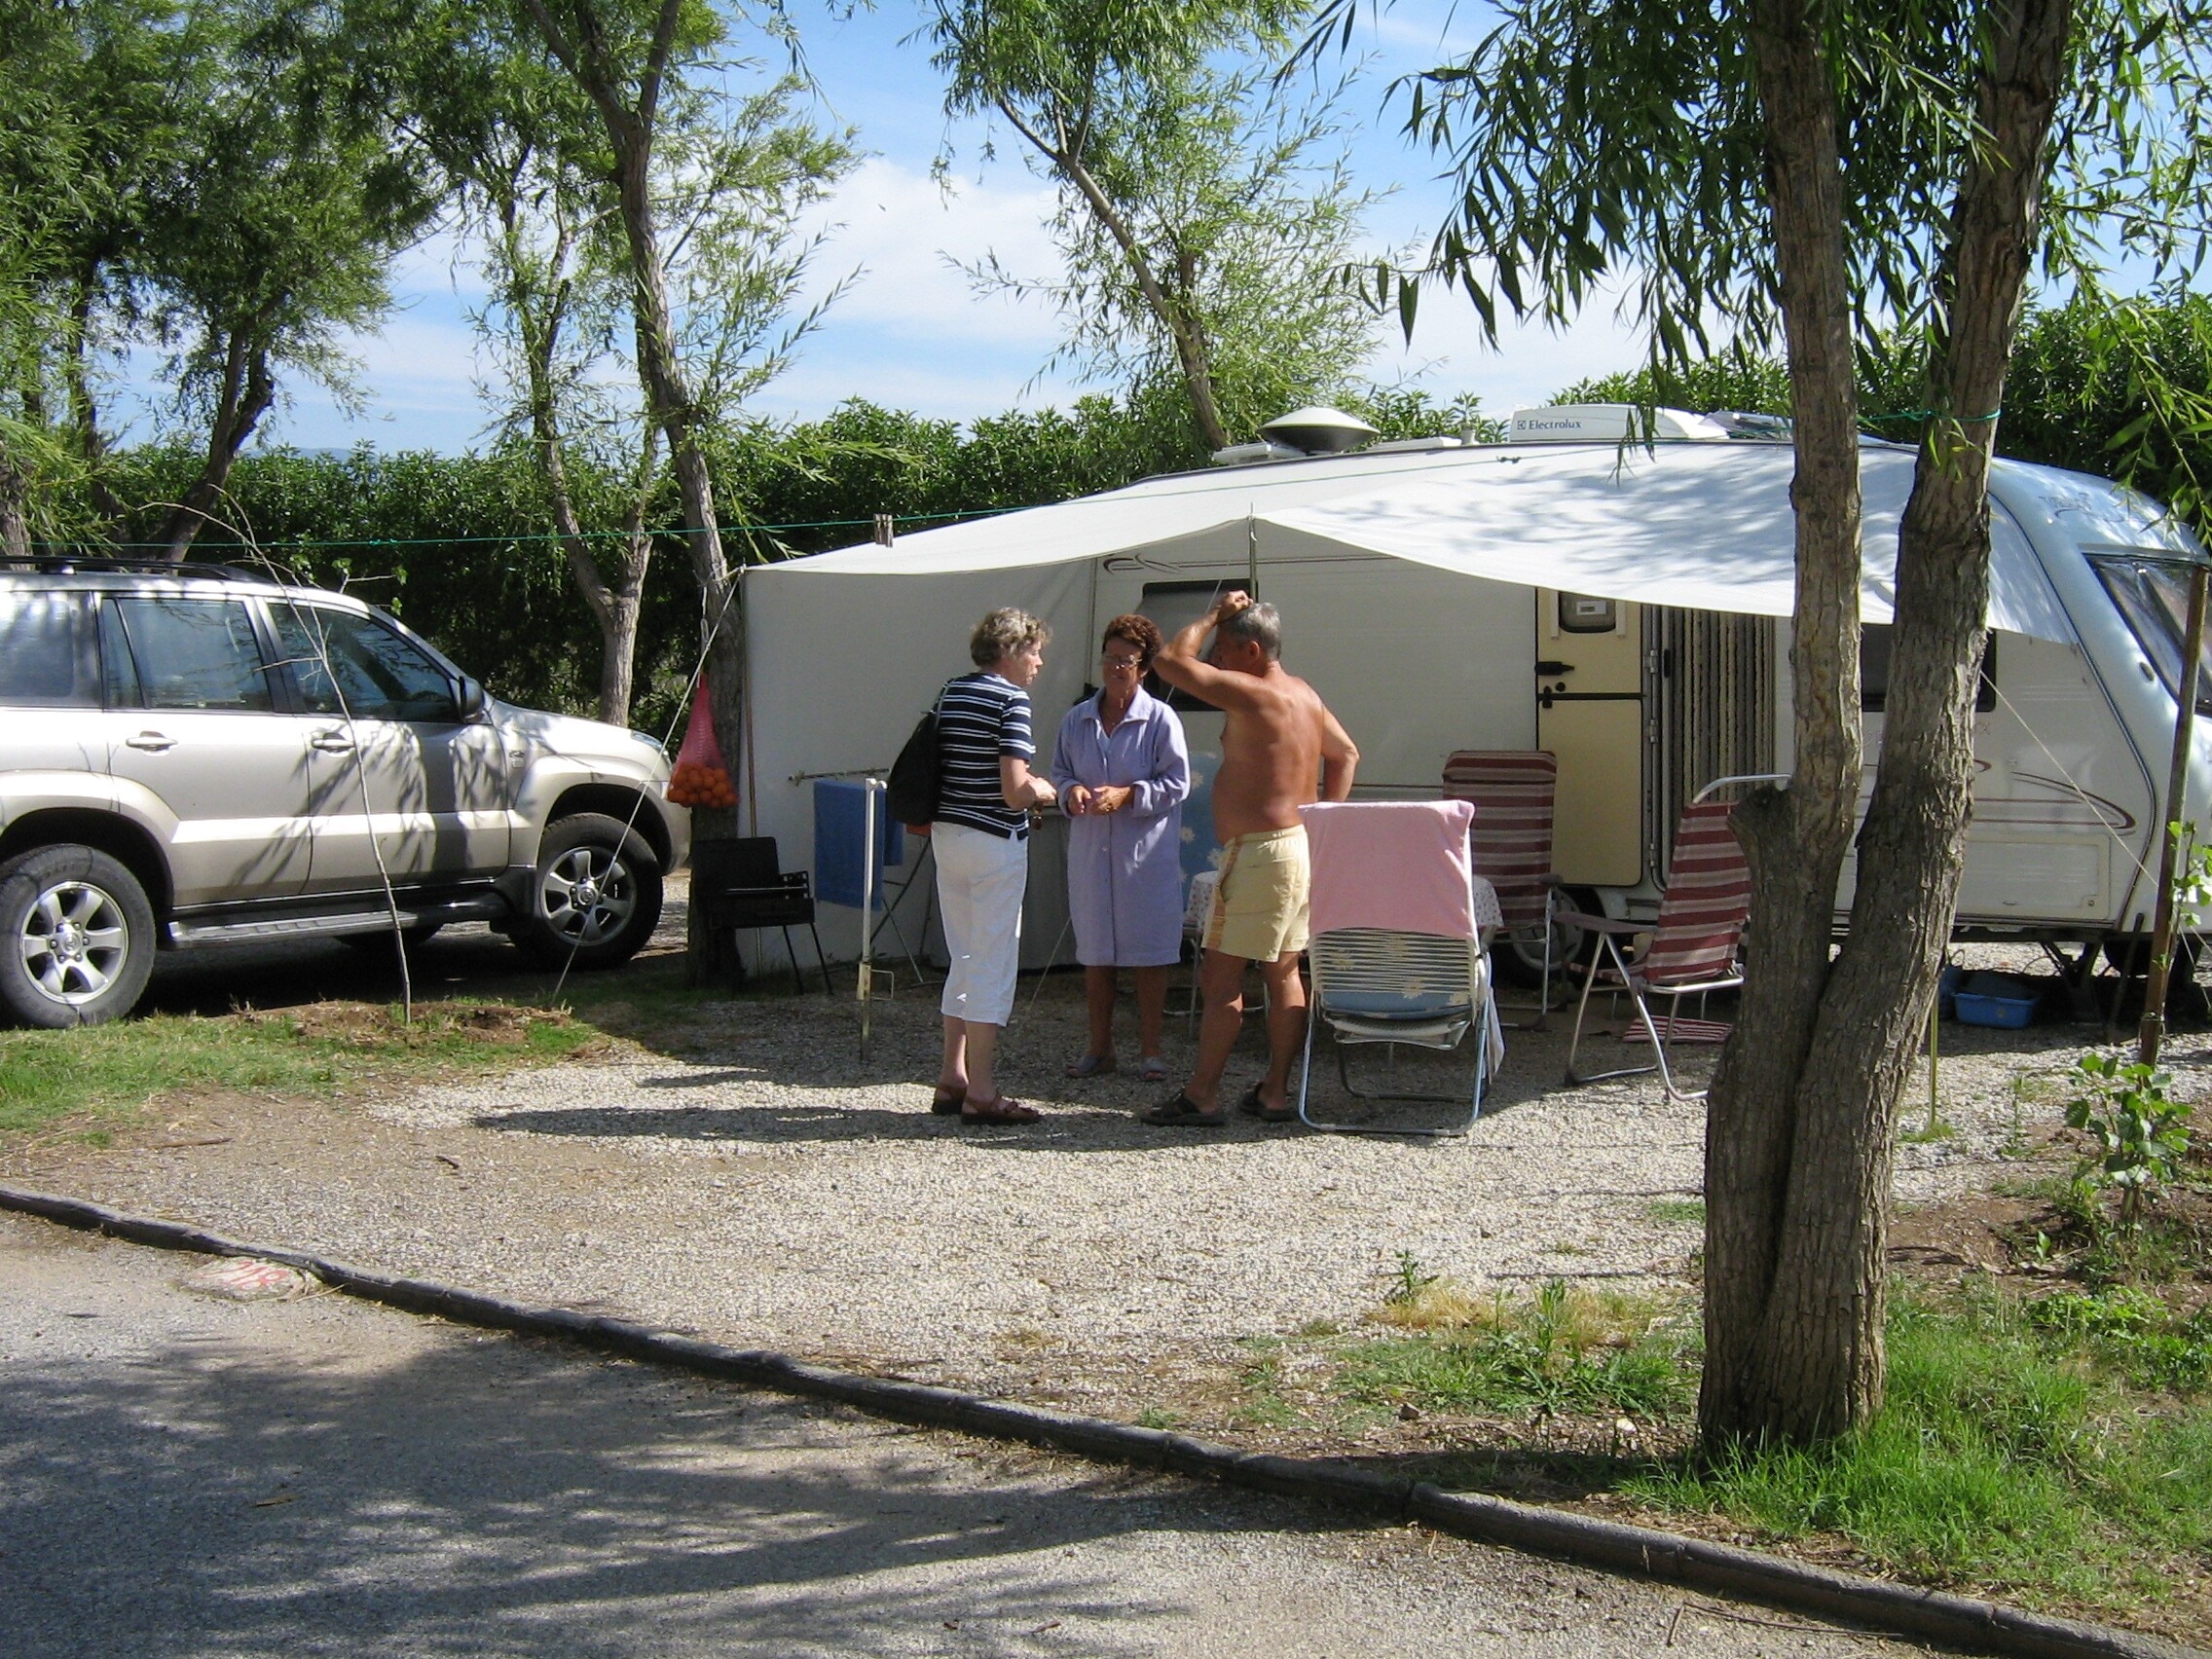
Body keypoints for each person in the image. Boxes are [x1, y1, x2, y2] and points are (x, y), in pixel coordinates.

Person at [1144, 592, 1357, 1126]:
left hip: (1261, 853)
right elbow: (1346, 753)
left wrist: (1212, 614)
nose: (1216, 659)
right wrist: (1325, 822)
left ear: (1254, 652)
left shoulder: (1256, 695)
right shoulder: (1304, 695)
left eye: (1226, 650)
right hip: (1295, 845)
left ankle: (1202, 1095)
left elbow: (1169, 661)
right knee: (1283, 972)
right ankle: (1275, 1093)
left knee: (1220, 982)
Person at [929, 608, 1058, 1124]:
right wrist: (1043, 790)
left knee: (963, 954)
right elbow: (1013, 789)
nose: (1039, 662)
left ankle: (952, 1076)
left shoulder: (951, 690)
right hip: (994, 840)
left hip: (948, 834)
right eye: (1034, 651)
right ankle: (982, 1092)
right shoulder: (1011, 700)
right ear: (1010, 651)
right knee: (992, 962)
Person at [1051, 614, 1192, 1084]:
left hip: (1143, 859)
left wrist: (1129, 795)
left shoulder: (1160, 719)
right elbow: (1059, 772)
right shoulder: (1077, 719)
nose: (1116, 668)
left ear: (1144, 667)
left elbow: (1178, 783)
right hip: (1092, 856)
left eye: (1126, 661)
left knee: (1149, 956)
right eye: (1110, 658)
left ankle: (1151, 1051)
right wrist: (1069, 791)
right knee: (1096, 955)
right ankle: (1099, 1048)